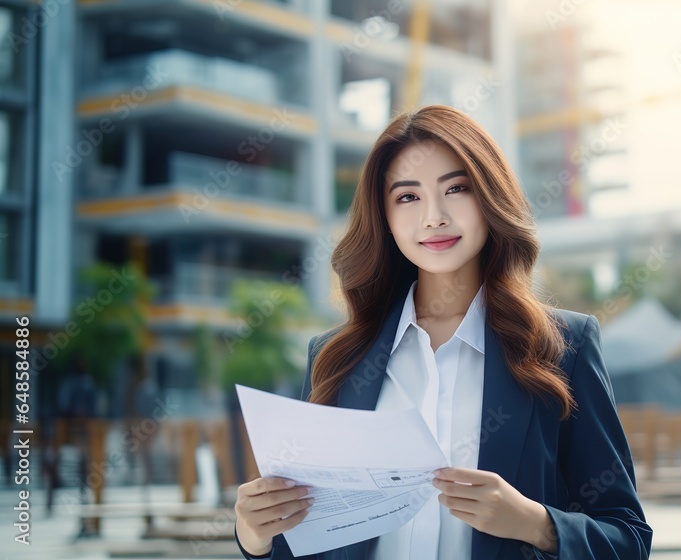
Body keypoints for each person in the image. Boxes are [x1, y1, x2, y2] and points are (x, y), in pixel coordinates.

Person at [234, 105, 652, 559]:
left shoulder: (564, 346)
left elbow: (628, 539)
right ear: (385, 216)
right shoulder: (337, 357)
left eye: (456, 189)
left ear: (489, 197)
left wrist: (536, 524)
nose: (433, 217)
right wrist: (256, 537)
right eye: (407, 197)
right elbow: (309, 544)